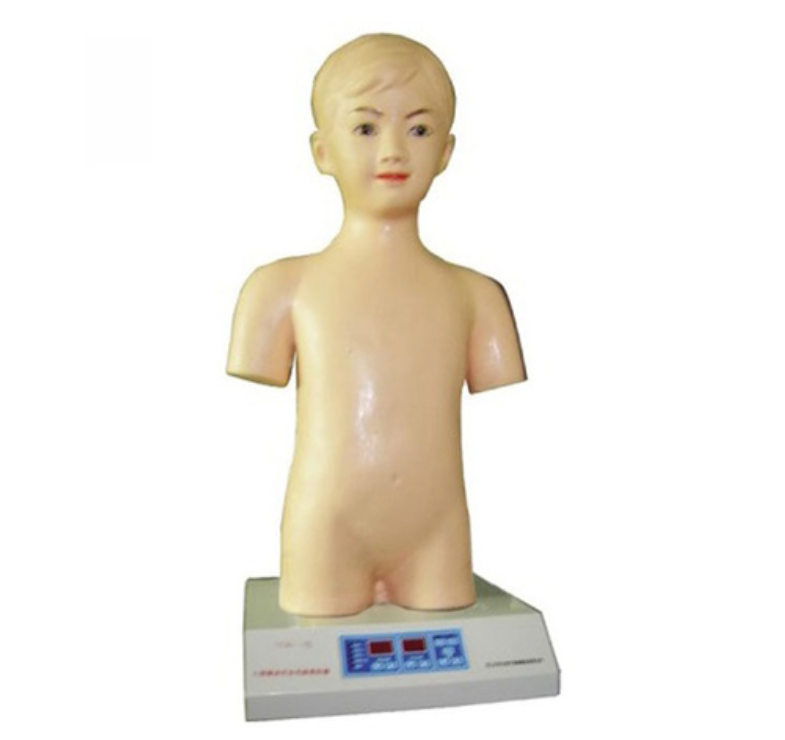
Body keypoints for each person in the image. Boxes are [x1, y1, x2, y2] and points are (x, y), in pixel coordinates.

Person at [227, 33, 526, 617]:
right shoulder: (278, 291)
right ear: (322, 152)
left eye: (419, 129)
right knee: (315, 627)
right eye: (365, 128)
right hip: (326, 529)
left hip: (438, 531)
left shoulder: (478, 299)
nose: (393, 151)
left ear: (446, 152)